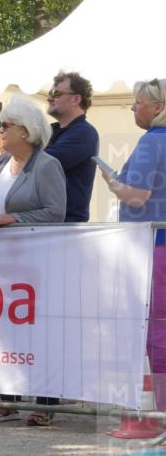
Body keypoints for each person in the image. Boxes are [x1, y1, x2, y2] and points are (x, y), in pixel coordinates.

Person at [0, 97, 67, 426]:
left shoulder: (47, 166)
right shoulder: (1, 162)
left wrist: (11, 217)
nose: (1, 130)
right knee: (4, 332)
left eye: (7, 125)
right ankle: (7, 399)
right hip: (0, 265)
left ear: (25, 132)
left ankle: (45, 402)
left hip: (36, 265)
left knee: (38, 332)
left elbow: (56, 212)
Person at [101, 78, 166, 409]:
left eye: (138, 102)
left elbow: (137, 197)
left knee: (157, 329)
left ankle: (162, 412)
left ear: (158, 108)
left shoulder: (152, 142)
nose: (133, 108)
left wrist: (113, 183)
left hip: (155, 246)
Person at [45, 71, 99, 223]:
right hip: (46, 224)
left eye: (56, 93)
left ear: (76, 99)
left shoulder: (84, 133)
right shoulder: (50, 130)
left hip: (66, 227)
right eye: (50, 92)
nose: (49, 98)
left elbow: (44, 163)